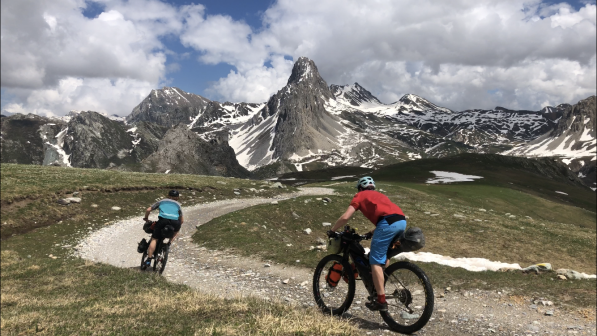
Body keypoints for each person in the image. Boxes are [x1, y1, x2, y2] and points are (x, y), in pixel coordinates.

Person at [329, 176, 406, 311]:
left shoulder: (360, 195)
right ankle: (379, 286)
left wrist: (332, 230)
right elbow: (389, 216)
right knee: (383, 258)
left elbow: (346, 217)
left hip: (387, 223)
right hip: (400, 221)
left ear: (360, 188)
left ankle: (381, 301)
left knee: (374, 261)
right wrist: (371, 233)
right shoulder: (380, 195)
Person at [143, 190, 184, 267]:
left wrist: (146, 218)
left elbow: (148, 209)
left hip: (163, 221)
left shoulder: (162, 201)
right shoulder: (178, 205)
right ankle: (169, 243)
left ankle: (148, 260)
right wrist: (177, 226)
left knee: (154, 239)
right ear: (177, 197)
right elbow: (182, 220)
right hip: (175, 222)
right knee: (176, 231)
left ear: (168, 195)